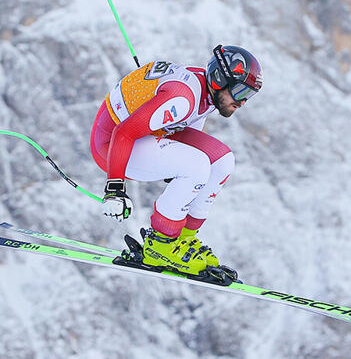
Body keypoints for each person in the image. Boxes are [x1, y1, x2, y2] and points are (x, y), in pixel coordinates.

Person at [89, 45, 263, 276]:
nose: (242, 102)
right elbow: (123, 133)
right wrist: (115, 189)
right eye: (240, 92)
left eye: (248, 96)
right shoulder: (182, 98)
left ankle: (183, 241)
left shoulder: (207, 94)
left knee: (222, 161)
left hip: (148, 135)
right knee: (196, 166)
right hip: (112, 146)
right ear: (220, 80)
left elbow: (189, 125)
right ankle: (160, 247)